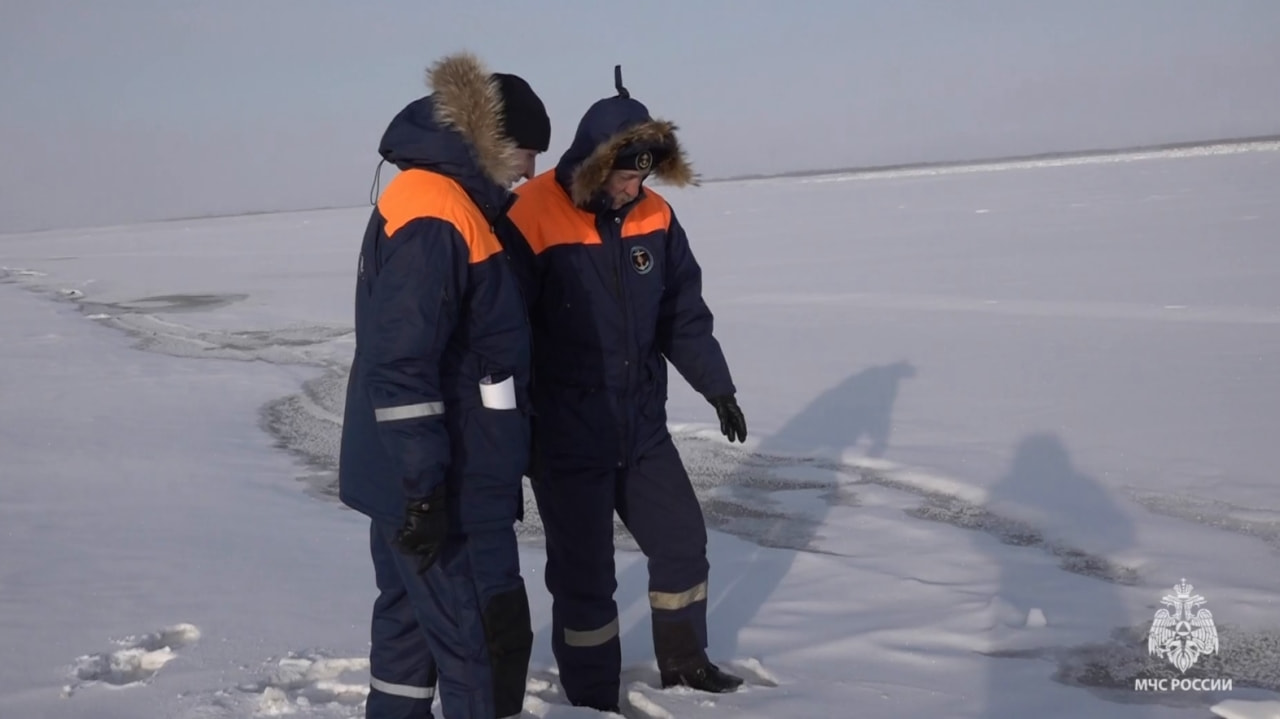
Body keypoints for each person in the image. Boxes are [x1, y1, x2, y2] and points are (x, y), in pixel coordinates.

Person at [502, 66, 748, 711]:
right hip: (565, 436)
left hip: (639, 428)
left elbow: (681, 315)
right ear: (591, 161)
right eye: (623, 175)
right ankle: (589, 697)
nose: (633, 188)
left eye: (643, 176)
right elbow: (503, 332)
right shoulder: (529, 215)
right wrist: (510, 430)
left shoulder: (656, 218)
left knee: (682, 545)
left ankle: (686, 665)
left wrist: (717, 387)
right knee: (585, 579)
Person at [337, 51, 551, 719]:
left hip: (420, 479)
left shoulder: (447, 201)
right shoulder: (439, 212)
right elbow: (402, 364)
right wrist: (425, 490)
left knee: (408, 632)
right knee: (481, 646)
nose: (532, 171)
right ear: (495, 141)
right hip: (445, 489)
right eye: (527, 152)